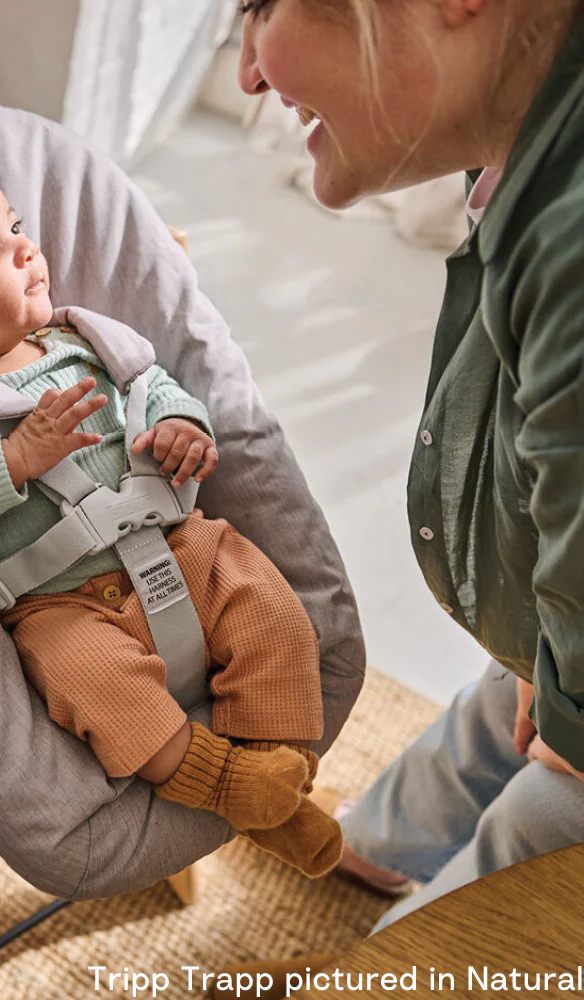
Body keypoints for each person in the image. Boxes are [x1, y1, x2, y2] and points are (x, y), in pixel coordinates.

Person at [0, 141, 344, 877]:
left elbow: (152, 386)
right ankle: (226, 783)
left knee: (273, 612)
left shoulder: (80, 338)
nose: (27, 249)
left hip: (184, 548)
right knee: (94, 689)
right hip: (63, 603)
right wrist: (11, 460)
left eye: (17, 225)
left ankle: (274, 767)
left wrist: (183, 426)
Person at [215, 0, 584, 989]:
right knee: (500, 704)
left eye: (262, 6)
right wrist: (545, 662)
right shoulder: (530, 136)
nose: (248, 71)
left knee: (551, 820)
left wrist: (573, 726)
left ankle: (410, 960)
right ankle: (383, 844)